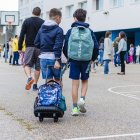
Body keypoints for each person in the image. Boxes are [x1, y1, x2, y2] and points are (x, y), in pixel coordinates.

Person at [63, 9, 99, 116]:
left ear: (75, 18)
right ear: (85, 18)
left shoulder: (71, 31)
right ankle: (82, 99)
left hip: (74, 60)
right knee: (85, 80)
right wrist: (92, 59)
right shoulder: (90, 31)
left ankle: (74, 108)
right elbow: (96, 47)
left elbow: (65, 47)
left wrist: (69, 57)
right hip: (86, 60)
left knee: (75, 84)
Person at [34, 8, 64, 84]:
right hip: (54, 58)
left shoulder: (41, 28)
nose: (60, 20)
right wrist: (57, 60)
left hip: (43, 58)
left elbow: (36, 43)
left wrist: (44, 48)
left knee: (48, 80)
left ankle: (50, 95)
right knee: (58, 80)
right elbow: (58, 46)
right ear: (57, 17)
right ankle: (58, 95)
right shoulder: (59, 30)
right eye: (60, 18)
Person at [18, 7, 44, 91]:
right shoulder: (43, 22)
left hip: (29, 46)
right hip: (40, 47)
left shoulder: (27, 21)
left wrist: (19, 47)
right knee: (37, 67)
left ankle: (29, 77)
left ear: (32, 12)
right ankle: (35, 85)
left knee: (26, 64)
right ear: (40, 13)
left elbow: (22, 35)